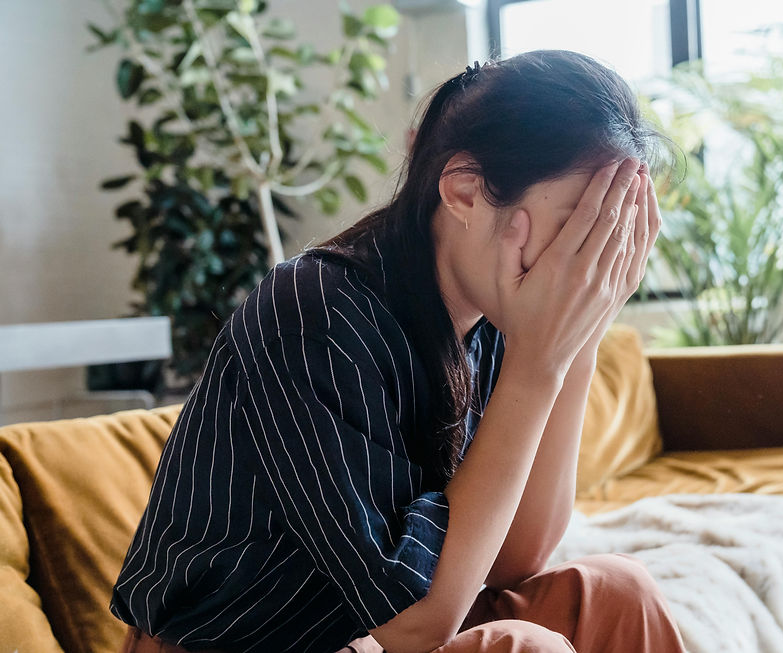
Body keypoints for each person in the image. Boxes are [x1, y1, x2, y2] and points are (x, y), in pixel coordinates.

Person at [110, 49, 685, 653]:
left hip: (362, 638)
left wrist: (577, 338)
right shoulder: (315, 311)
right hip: (242, 643)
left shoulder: (498, 316)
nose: (587, 256)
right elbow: (414, 622)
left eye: (609, 230)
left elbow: (517, 556)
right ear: (463, 191)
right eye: (577, 221)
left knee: (620, 594)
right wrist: (540, 362)